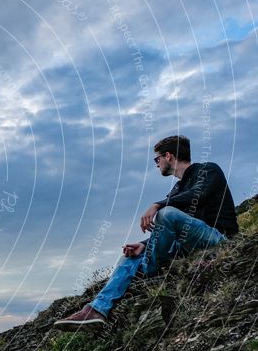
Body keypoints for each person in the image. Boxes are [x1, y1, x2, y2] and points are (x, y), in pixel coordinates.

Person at [54, 135, 239, 329]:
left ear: (168, 156)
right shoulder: (176, 191)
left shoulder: (208, 170)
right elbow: (172, 229)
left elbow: (197, 195)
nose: (156, 164)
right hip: (187, 246)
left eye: (156, 159)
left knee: (166, 214)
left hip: (218, 238)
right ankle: (97, 310)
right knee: (131, 255)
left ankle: (147, 269)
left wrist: (157, 205)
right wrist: (143, 244)